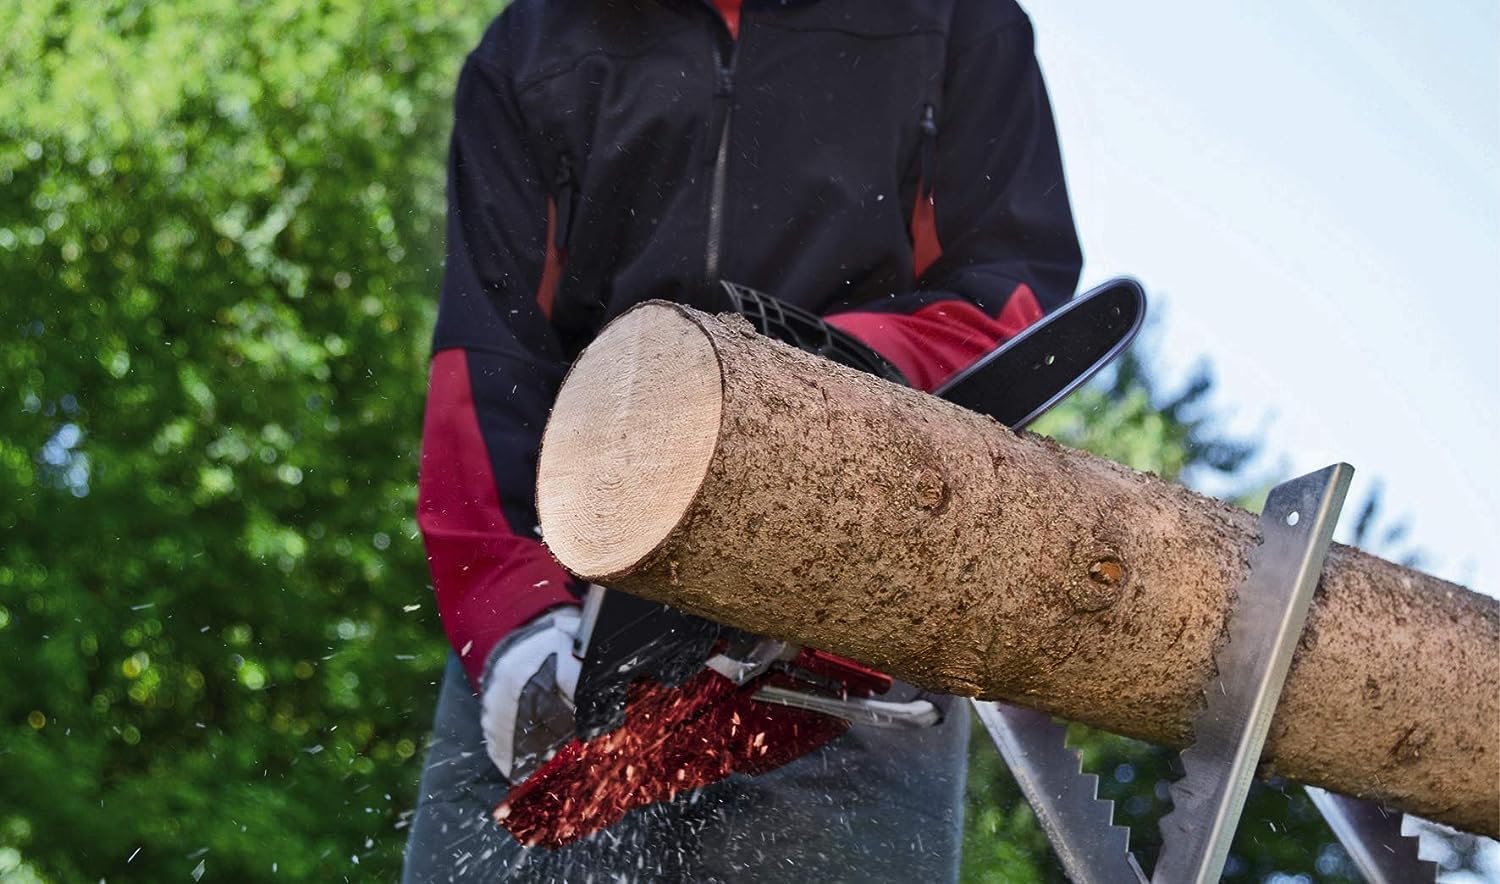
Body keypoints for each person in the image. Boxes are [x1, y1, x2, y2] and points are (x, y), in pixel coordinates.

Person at [403, 0, 1082, 880]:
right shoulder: (534, 45)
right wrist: (512, 621)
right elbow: (485, 359)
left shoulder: (957, 22)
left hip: (851, 636)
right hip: (576, 616)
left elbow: (1008, 303)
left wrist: (788, 390)